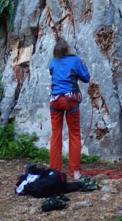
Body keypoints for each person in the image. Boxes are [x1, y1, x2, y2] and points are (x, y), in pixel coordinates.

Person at [48, 38, 90, 180]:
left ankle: (55, 170)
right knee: (74, 134)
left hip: (54, 101)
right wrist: (83, 65)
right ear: (67, 48)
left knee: (56, 135)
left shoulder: (53, 62)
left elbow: (53, 74)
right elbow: (86, 78)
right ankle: (75, 171)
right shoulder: (75, 60)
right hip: (70, 101)